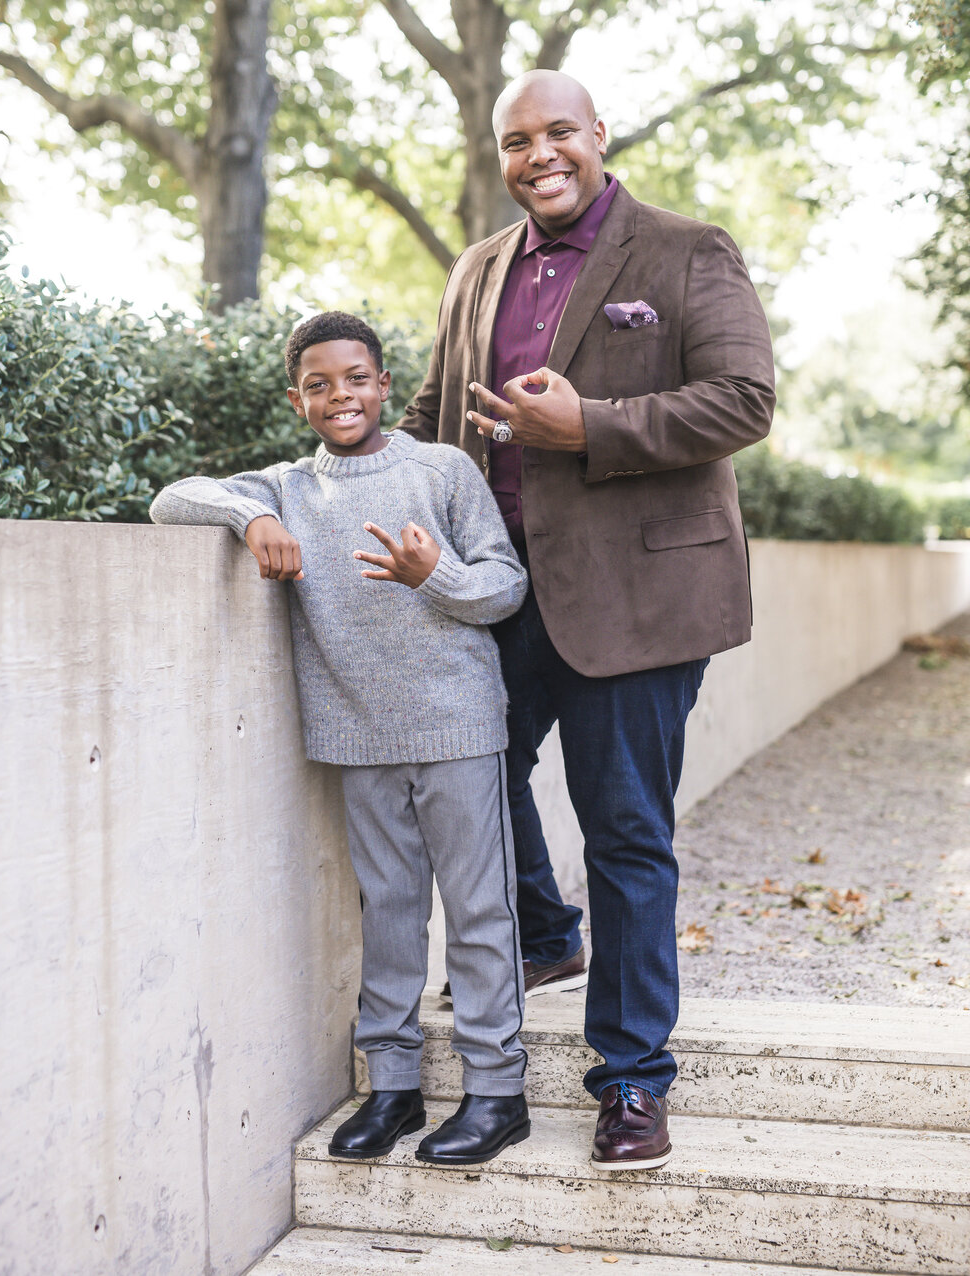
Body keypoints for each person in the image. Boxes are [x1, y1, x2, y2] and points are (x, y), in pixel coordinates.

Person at [397, 70, 776, 1167]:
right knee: (464, 774)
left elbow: (744, 399)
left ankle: (631, 1080)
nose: (538, 156)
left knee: (622, 834)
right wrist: (322, 494)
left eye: (557, 133)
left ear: (597, 136)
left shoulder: (684, 250)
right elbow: (429, 418)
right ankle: (549, 938)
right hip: (495, 588)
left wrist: (590, 427)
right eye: (517, 141)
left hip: (638, 598)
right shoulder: (475, 271)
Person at [149, 310, 532, 1167]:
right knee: (389, 914)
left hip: (458, 724)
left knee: (477, 911)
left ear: (384, 384)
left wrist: (437, 578)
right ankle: (392, 1087)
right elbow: (171, 498)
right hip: (357, 733)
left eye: (356, 378)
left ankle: (498, 1092)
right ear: (298, 400)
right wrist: (250, 520)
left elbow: (505, 586)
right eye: (319, 385)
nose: (340, 395)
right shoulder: (288, 487)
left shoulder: (443, 469)